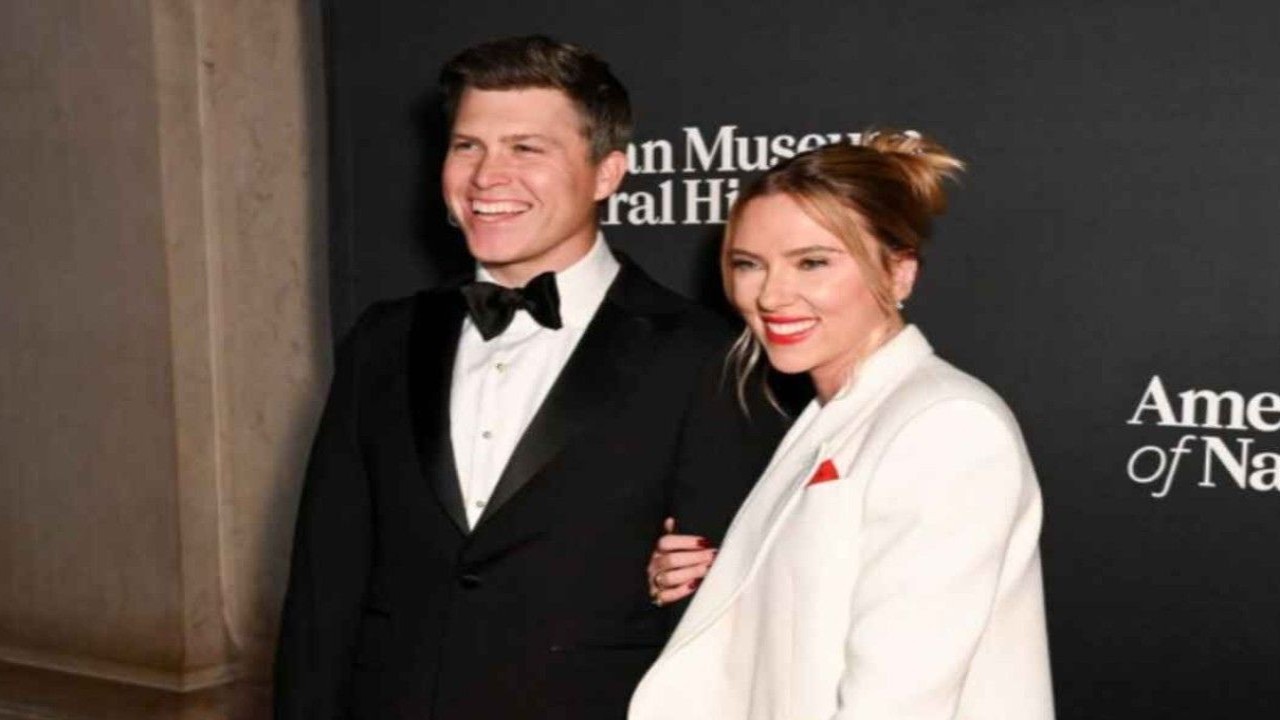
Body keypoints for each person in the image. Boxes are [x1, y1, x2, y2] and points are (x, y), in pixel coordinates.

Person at [274, 35, 784, 720]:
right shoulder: (383, 339)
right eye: (467, 146)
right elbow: (324, 582)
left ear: (607, 173)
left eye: (526, 148)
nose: (487, 176)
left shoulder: (703, 356)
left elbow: (720, 616)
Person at [631, 132, 1055, 719]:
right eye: (749, 265)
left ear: (899, 272)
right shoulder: (830, 419)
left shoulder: (945, 425)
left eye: (813, 262)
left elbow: (896, 702)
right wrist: (726, 582)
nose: (773, 295)